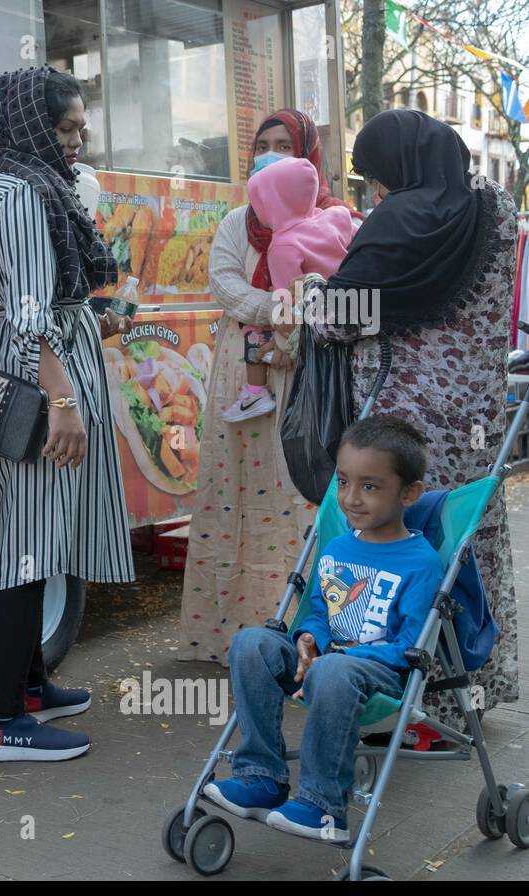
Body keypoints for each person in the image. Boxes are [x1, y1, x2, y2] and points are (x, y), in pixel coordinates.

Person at [292, 108, 520, 731]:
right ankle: (469, 689)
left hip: (402, 424)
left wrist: (312, 291)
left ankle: (399, 694)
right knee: (464, 542)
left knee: (400, 547)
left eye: (374, 176)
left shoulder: (398, 222)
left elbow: (340, 316)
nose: (374, 191)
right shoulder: (496, 206)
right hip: (476, 415)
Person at [0, 66, 134, 763]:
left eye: (80, 129)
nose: (76, 140)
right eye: (65, 128)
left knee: (35, 533)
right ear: (34, 126)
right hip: (38, 376)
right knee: (24, 546)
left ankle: (30, 687)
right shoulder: (18, 195)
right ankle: (1, 720)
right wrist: (63, 402)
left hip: (42, 366)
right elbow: (30, 313)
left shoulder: (29, 187)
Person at [204, 416, 443, 841]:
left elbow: (410, 645)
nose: (351, 498)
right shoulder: (337, 547)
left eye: (370, 486)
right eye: (345, 482)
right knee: (250, 643)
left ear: (409, 493)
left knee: (334, 669)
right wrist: (307, 640)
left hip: (378, 674)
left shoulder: (420, 562)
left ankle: (323, 805)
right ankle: (262, 775)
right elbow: (319, 610)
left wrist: (341, 657)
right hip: (320, 665)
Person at [179, 109, 353, 665]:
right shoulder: (240, 219)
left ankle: (311, 633)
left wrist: (293, 319)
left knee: (302, 489)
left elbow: (344, 289)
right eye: (263, 144)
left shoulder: (332, 221)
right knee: (239, 493)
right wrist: (277, 309)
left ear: (310, 154)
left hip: (310, 371)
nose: (272, 153)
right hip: (245, 372)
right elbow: (223, 282)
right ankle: (233, 630)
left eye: (285, 144)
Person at [222, 155, 355, 423]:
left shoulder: (283, 246)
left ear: (271, 203)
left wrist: (285, 346)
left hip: (312, 328)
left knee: (253, 331)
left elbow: (288, 306)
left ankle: (255, 393)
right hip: (345, 313)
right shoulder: (336, 216)